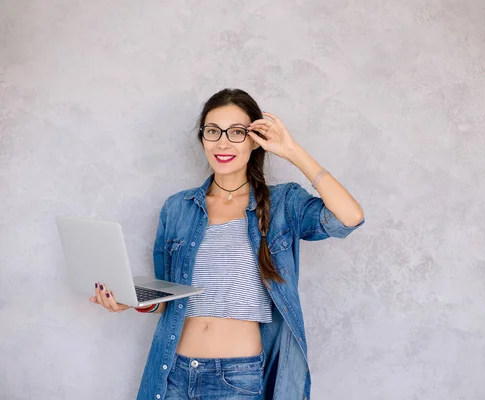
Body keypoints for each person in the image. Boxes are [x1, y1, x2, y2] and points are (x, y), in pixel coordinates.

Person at [90, 88, 365, 400]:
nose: (222, 142)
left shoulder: (283, 203)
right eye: (213, 131)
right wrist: (134, 300)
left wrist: (291, 151)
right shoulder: (177, 207)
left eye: (236, 132)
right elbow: (169, 295)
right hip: (172, 373)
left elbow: (349, 218)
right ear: (203, 138)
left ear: (254, 139)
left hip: (237, 377)